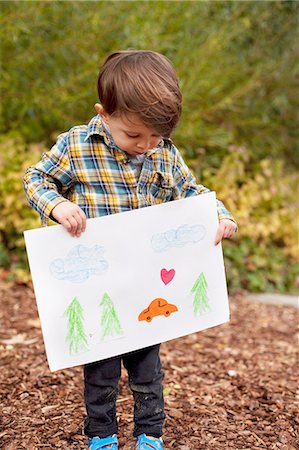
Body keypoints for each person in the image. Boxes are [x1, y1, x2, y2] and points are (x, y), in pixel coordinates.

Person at [23, 50, 237, 450]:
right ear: (103, 114)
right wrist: (58, 205)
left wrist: (219, 216)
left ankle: (149, 432)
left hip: (144, 286)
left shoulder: (164, 153)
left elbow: (193, 192)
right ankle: (102, 436)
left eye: (155, 136)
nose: (145, 145)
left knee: (147, 367)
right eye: (134, 135)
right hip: (97, 283)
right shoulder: (77, 145)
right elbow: (36, 179)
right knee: (101, 368)